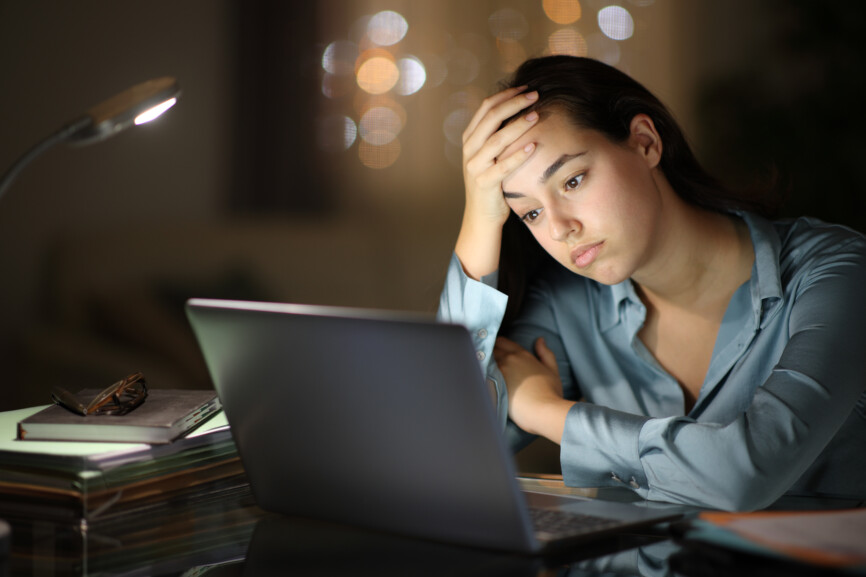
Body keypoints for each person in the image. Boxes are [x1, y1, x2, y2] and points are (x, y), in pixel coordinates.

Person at [438, 55, 866, 511]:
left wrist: (546, 411)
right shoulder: (568, 304)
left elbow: (746, 473)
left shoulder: (834, 274)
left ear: (645, 142)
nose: (560, 229)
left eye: (573, 180)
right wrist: (481, 219)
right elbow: (445, 453)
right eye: (532, 213)